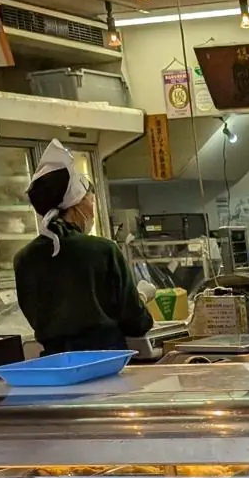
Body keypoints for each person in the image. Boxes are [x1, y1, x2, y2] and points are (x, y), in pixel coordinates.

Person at [14, 140, 152, 355]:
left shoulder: (24, 258)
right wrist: (141, 297)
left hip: (56, 362)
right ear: (76, 204)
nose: (92, 208)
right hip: (105, 360)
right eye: (90, 201)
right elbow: (135, 322)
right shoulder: (103, 250)